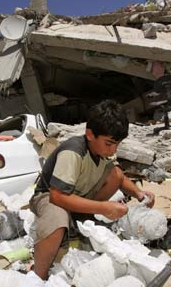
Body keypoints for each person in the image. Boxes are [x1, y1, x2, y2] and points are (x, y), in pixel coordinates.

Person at [29, 100, 155, 280]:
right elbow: (57, 196)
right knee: (57, 219)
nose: (113, 150)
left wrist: (138, 193)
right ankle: (37, 276)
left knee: (116, 174)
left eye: (117, 144)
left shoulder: (101, 152)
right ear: (90, 134)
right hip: (48, 196)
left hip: (76, 197)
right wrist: (104, 208)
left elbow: (119, 177)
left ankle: (80, 222)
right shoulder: (73, 151)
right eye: (109, 143)